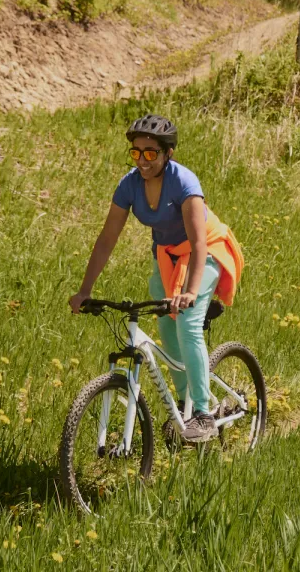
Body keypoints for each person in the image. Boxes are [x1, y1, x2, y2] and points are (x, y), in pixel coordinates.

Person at [69, 115, 243, 442]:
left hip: (204, 252)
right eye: (136, 153)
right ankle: (184, 405)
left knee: (187, 323)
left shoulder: (184, 183)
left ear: (168, 154)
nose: (143, 160)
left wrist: (190, 292)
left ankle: (204, 414)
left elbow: (198, 243)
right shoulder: (129, 185)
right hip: (167, 256)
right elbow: (107, 239)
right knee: (165, 326)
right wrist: (84, 290)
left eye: (151, 153)